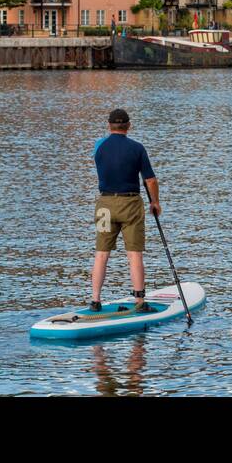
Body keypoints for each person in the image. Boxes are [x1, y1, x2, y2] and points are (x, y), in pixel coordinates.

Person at [90, 108, 159, 312]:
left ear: (109, 125)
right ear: (129, 126)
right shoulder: (137, 148)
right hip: (130, 206)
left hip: (105, 205)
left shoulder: (99, 146)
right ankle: (139, 301)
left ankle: (95, 300)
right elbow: (150, 180)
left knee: (101, 254)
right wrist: (155, 202)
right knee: (134, 255)